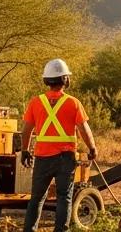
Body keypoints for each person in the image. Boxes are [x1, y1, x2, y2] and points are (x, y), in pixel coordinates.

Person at [21, 59, 98, 232]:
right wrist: (92, 148)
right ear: (65, 80)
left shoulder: (36, 102)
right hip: (65, 159)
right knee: (64, 197)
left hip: (42, 158)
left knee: (37, 199)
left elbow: (26, 130)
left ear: (46, 80)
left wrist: (25, 150)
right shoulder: (73, 103)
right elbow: (84, 129)